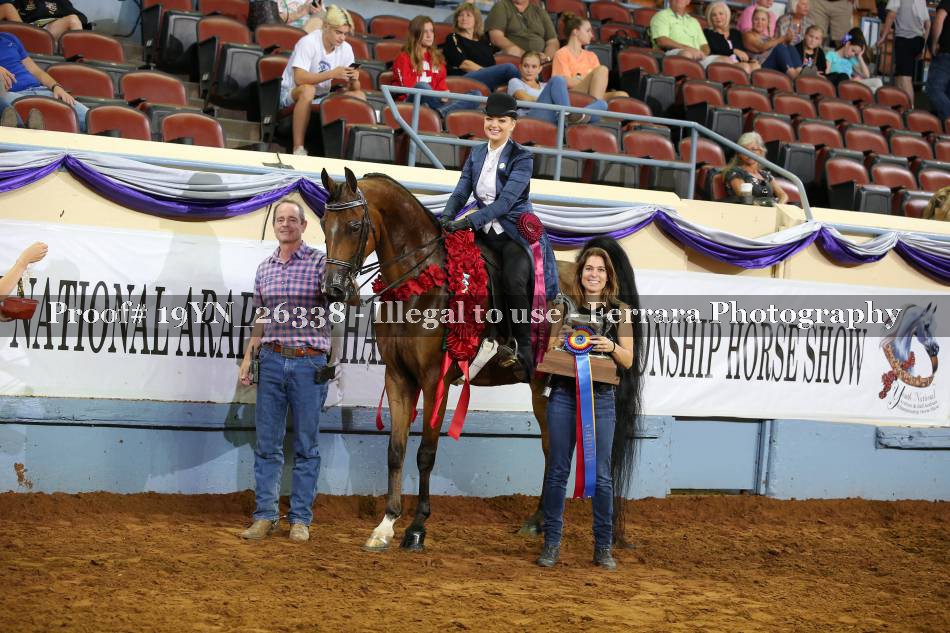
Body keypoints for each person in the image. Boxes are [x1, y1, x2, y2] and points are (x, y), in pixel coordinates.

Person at [440, 92, 559, 381]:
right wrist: (445, 217)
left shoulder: (523, 157)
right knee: (458, 269)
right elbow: (461, 192)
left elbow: (505, 203)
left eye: (501, 121)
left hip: (515, 233)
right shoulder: (476, 153)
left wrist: (468, 221)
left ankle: (524, 347)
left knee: (512, 279)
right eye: (490, 119)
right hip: (485, 231)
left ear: (512, 124)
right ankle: (471, 337)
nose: (494, 125)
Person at [536, 244, 634, 571]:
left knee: (602, 475)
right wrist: (562, 338)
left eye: (600, 270)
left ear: (608, 277)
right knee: (557, 471)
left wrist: (611, 345)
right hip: (563, 395)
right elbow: (550, 348)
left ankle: (603, 547)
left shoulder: (620, 311)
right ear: (580, 274)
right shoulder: (562, 305)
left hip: (601, 399)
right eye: (589, 268)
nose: (594, 274)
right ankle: (551, 542)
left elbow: (628, 359)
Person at [238, 199, 331, 544]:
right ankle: (265, 516)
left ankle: (300, 519)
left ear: (304, 226)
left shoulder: (321, 263)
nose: (285, 224)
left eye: (293, 219)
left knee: (306, 445)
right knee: (267, 444)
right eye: (280, 219)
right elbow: (261, 317)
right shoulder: (264, 268)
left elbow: (339, 303)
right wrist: (248, 357)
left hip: (309, 362)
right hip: (272, 361)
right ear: (274, 225)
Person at [279, 4, 364, 157]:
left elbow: (354, 88)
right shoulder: (308, 42)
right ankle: (298, 148)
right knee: (308, 90)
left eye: (345, 34)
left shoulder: (346, 48)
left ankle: (351, 152)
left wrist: (354, 79)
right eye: (338, 32)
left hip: (321, 96)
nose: (342, 38)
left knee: (359, 95)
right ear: (326, 26)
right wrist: (332, 73)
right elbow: (299, 78)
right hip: (290, 93)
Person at [393, 16, 481, 117]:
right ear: (415, 34)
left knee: (476, 95)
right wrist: (435, 95)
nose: (429, 35)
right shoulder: (403, 58)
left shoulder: (438, 59)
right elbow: (407, 90)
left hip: (434, 103)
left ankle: (438, 113)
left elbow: (441, 88)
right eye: (425, 32)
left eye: (431, 31)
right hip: (410, 103)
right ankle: (441, 112)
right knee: (422, 86)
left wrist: (444, 95)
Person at [0, 31, 88, 131]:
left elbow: (36, 71)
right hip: (10, 94)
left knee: (89, 117)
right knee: (8, 112)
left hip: (40, 90)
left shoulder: (9, 38)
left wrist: (56, 86)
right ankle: (27, 130)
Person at [442, 2, 519, 91]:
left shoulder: (484, 40)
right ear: (456, 19)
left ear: (476, 20)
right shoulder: (453, 37)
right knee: (509, 68)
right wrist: (489, 73)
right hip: (464, 78)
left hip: (485, 79)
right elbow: (464, 64)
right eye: (460, 15)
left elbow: (492, 62)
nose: (464, 18)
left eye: (468, 15)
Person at [552, 14, 627, 103]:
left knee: (622, 95)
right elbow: (563, 82)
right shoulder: (561, 54)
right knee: (602, 69)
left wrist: (580, 78)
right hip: (572, 94)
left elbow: (600, 82)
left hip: (593, 93)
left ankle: (595, 106)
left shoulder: (591, 55)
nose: (592, 35)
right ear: (576, 32)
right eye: (588, 31)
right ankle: (596, 108)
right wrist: (590, 80)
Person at [509, 50, 599, 124]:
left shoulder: (545, 86)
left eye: (534, 67)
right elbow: (525, 98)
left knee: (601, 104)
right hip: (531, 116)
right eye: (526, 66)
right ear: (520, 67)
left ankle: (574, 117)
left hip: (554, 115)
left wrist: (555, 100)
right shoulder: (515, 81)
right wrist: (553, 100)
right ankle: (569, 115)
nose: (529, 70)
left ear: (540, 69)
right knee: (557, 80)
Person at [878, 0, 929, 107]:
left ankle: (910, 109)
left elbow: (891, 15)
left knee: (905, 78)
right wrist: (924, 46)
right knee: (899, 76)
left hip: (905, 39)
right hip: (918, 40)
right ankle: (899, 107)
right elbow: (928, 23)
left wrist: (883, 37)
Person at [723, 132, 788, 205]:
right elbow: (744, 197)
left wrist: (779, 205)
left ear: (761, 151)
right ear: (739, 154)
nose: (749, 153)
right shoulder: (735, 172)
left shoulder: (765, 175)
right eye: (745, 150)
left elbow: (783, 195)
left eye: (753, 149)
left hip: (770, 208)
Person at [486, 0, 558, 62]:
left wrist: (547, 57)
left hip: (540, 61)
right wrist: (526, 55)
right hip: (514, 57)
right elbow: (496, 37)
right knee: (511, 51)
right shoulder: (501, 6)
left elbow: (553, 41)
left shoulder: (540, 12)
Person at [743, 7, 803, 77]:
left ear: (767, 22)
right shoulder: (748, 34)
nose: (759, 22)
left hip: (773, 63)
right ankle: (793, 74)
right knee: (779, 47)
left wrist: (788, 39)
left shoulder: (768, 38)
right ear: (752, 20)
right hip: (761, 63)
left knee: (790, 47)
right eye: (756, 19)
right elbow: (760, 47)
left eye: (763, 20)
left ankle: (800, 71)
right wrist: (783, 38)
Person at [703, 1, 759, 73]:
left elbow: (741, 52)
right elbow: (716, 49)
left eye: (721, 14)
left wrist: (750, 60)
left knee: (756, 66)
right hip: (721, 62)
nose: (718, 17)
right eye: (714, 15)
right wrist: (733, 51)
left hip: (737, 62)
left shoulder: (735, 33)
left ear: (727, 15)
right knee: (745, 67)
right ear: (710, 18)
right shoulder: (708, 33)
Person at [0, 0, 84, 40]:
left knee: (73, 19)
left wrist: (60, 20)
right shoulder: (20, 2)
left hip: (49, 29)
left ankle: (78, 57)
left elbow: (82, 18)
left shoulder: (61, 2)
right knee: (7, 7)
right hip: (27, 29)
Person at [927, 0, 950, 121]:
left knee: (933, 89)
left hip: (946, 51)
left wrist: (934, 43)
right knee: (947, 93)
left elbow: (939, 20)